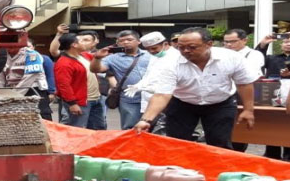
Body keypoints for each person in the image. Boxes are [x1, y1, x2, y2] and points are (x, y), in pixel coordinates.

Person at [133, 27, 261, 150]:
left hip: (220, 103)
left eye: (192, 47)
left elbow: (244, 84)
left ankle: (218, 170)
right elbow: (162, 94)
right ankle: (179, 170)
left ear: (209, 44)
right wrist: (146, 120)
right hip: (182, 103)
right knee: (177, 143)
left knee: (220, 142)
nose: (186, 51)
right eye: (181, 47)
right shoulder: (170, 62)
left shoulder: (231, 58)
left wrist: (248, 110)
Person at [90, 30, 151, 130]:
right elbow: (95, 69)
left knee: (153, 127)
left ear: (138, 41)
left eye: (129, 39)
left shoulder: (149, 55)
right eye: (122, 41)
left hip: (151, 98)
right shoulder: (112, 58)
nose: (126, 42)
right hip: (129, 99)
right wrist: (97, 58)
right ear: (117, 43)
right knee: (130, 127)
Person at [123, 31, 181, 135]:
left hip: (166, 103)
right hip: (149, 102)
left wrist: (151, 88)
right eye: (148, 49)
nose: (151, 51)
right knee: (147, 133)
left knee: (163, 134)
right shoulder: (155, 56)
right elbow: (148, 75)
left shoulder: (177, 57)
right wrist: (139, 85)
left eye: (154, 48)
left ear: (165, 44)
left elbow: (173, 84)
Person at [0, 41, 53, 120]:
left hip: (33, 90)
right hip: (11, 91)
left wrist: (14, 96)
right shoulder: (1, 56)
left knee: (42, 118)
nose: (10, 47)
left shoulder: (31, 54)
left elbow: (29, 77)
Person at [257, 33, 290, 160]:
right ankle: (271, 153)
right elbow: (257, 59)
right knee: (271, 123)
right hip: (273, 94)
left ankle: (288, 154)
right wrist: (264, 44)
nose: (288, 43)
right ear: (281, 44)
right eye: (286, 41)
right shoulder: (272, 58)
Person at [54, 33, 94, 127]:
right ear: (74, 45)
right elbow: (64, 85)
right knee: (77, 128)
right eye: (82, 41)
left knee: (96, 128)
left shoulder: (84, 56)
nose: (85, 43)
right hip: (80, 101)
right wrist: (72, 103)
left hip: (94, 98)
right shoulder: (64, 63)